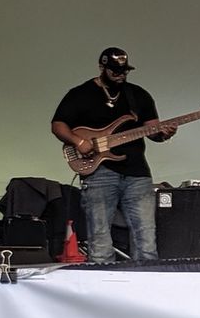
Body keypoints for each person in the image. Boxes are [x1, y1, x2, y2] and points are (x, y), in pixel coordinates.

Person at [50, 47, 177, 261]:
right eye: (115, 71)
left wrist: (164, 134)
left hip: (137, 172)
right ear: (102, 67)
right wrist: (79, 141)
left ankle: (146, 281)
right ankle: (103, 283)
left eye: (124, 71)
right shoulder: (80, 94)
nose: (120, 75)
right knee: (99, 237)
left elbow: (153, 130)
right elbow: (58, 125)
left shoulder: (138, 95)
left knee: (146, 234)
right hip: (99, 172)